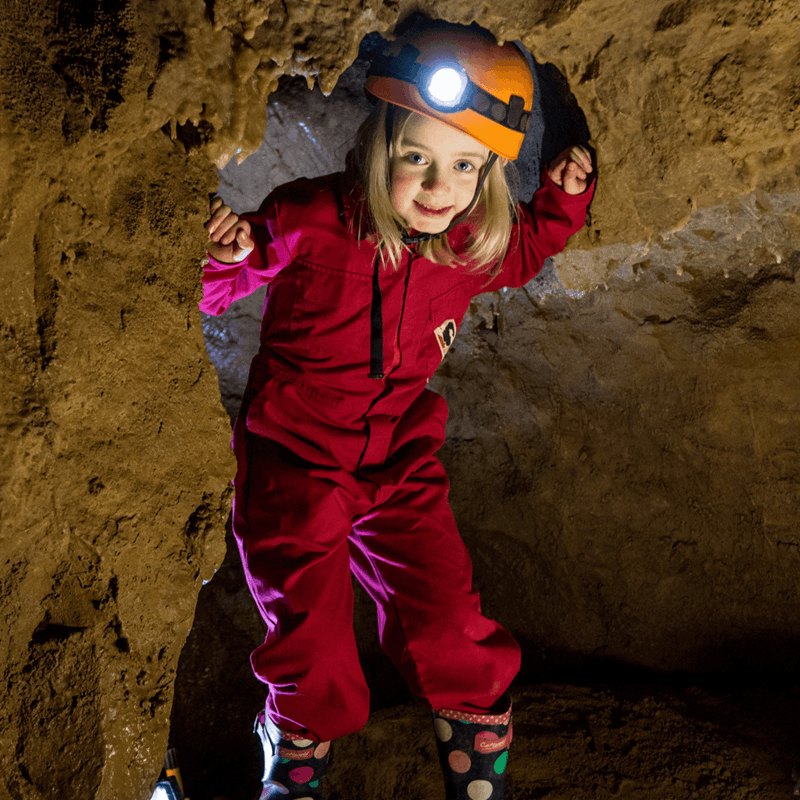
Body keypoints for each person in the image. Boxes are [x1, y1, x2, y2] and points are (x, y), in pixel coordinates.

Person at [201, 17, 594, 800]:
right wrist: (227, 256)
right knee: (311, 642)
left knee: (449, 618)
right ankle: (296, 772)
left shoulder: (465, 244)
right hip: (296, 458)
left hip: (397, 459)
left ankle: (476, 777)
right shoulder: (313, 218)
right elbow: (217, 292)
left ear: (485, 176)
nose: (435, 187)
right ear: (382, 148)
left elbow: (526, 251)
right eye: (416, 157)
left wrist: (563, 197)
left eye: (462, 166)